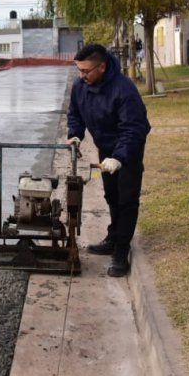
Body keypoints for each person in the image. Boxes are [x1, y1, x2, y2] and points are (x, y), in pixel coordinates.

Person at [66, 44, 151, 277]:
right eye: (79, 70)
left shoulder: (124, 90)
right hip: (105, 147)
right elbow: (75, 114)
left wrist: (120, 157)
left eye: (86, 71)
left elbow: (134, 129)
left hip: (128, 149)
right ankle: (114, 237)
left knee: (127, 199)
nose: (81, 76)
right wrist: (75, 134)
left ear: (102, 67)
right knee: (111, 195)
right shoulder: (80, 87)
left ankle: (121, 252)